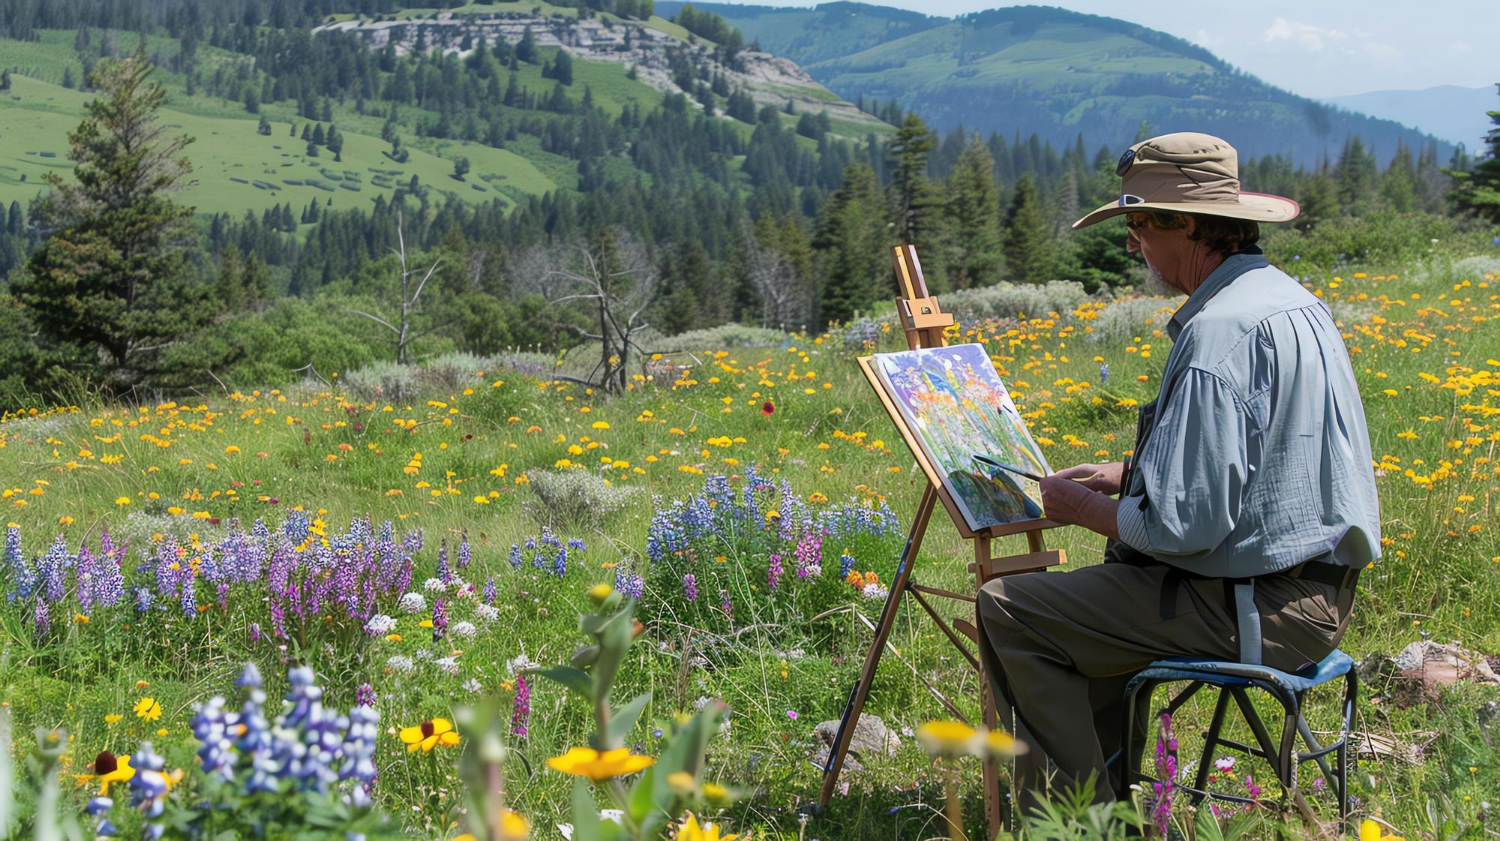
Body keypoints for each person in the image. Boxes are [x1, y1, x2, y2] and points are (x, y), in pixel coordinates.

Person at [976, 132, 1381, 806]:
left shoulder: (1217, 331)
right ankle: (1102, 796)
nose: (1133, 244)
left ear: (1184, 224)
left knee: (1011, 608)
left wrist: (1079, 508)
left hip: (1258, 606)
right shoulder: (1287, 300)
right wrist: (1130, 471)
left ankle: (1081, 822)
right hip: (1315, 593)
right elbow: (1270, 458)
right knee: (1091, 600)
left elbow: (1180, 530)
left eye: (1139, 225)